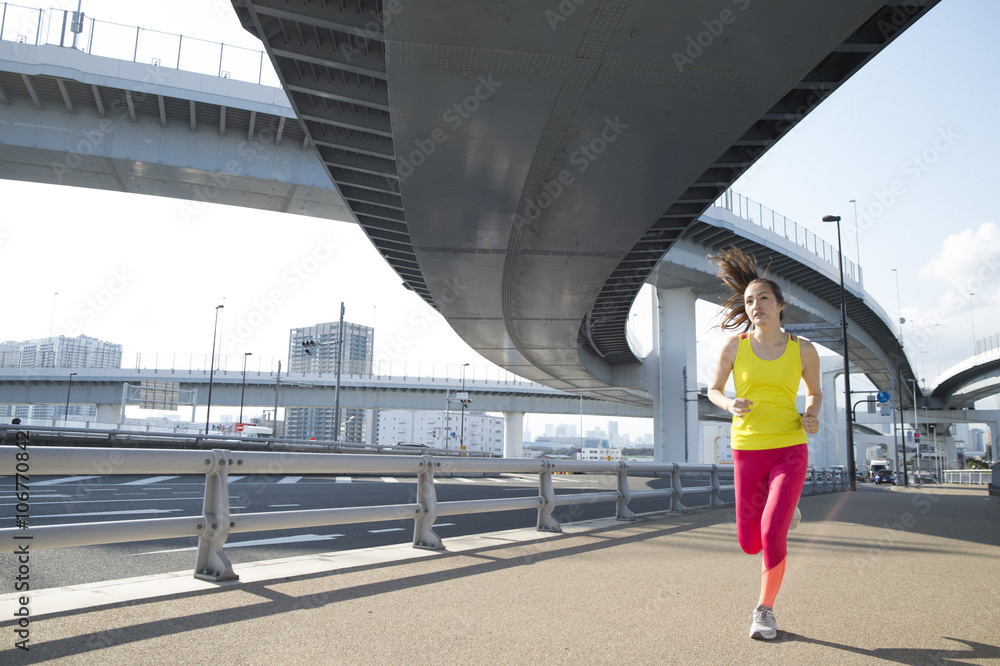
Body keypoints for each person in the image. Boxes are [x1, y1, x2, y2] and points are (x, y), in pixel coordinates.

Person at [706, 247, 822, 641]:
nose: (756, 306)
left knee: (772, 533)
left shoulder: (802, 349)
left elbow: (815, 393)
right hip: (747, 447)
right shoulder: (733, 347)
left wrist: (811, 414)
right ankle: (786, 512)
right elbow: (713, 389)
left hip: (790, 446)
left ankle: (764, 610)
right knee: (749, 542)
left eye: (763, 299)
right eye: (749, 301)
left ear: (780, 305)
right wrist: (728, 403)